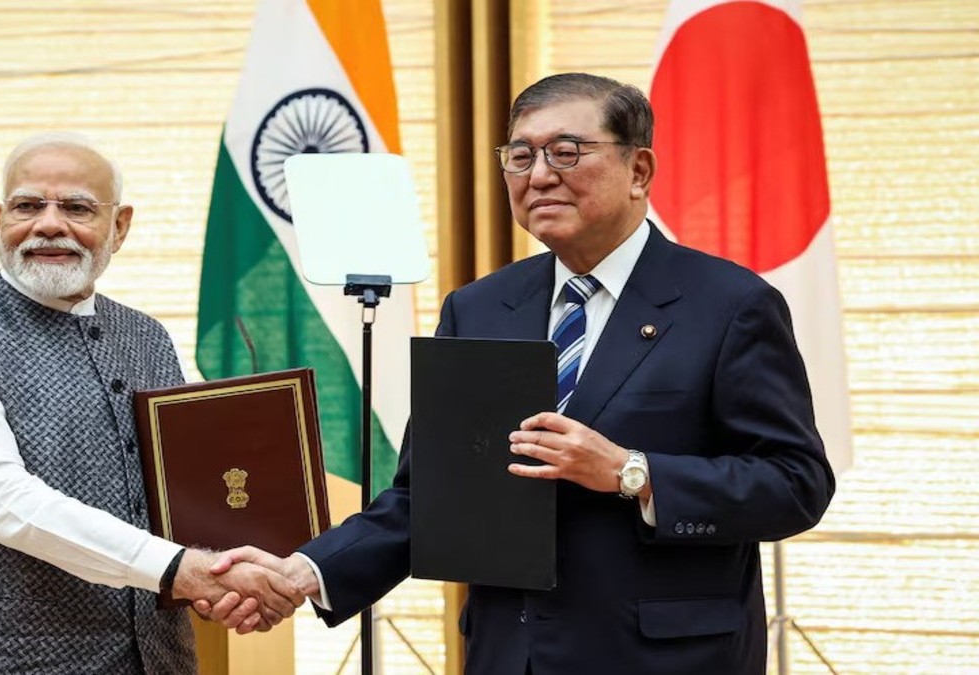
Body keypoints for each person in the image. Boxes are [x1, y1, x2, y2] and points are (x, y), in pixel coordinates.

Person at [198, 73, 836, 674]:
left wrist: (631, 472)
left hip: (667, 656)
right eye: (520, 156)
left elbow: (796, 482)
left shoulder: (728, 305)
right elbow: (432, 495)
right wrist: (305, 572)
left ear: (638, 169)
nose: (539, 176)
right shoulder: (478, 307)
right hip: (511, 652)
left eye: (565, 151)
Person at [0, 132, 303, 674]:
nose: (50, 224)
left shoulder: (146, 335)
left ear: (120, 226)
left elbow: (182, 497)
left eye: (78, 208)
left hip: (151, 658)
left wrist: (230, 572)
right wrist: (186, 569)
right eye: (28, 206)